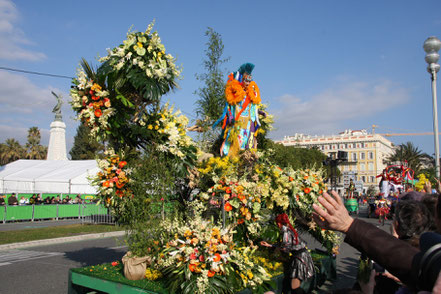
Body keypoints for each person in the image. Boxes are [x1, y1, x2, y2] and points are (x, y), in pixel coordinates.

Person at [312, 190, 441, 291]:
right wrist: (349, 226)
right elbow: (414, 262)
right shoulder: (429, 258)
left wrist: (348, 225)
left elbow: (412, 262)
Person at [213, 63, 262, 157]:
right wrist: (230, 115)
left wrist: (259, 112)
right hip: (237, 122)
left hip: (247, 123)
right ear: (242, 79)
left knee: (246, 142)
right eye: (246, 80)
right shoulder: (236, 92)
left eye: (249, 81)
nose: (247, 83)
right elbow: (229, 105)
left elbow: (253, 108)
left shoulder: (251, 94)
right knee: (233, 142)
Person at [260, 213, 314, 294]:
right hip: (302, 256)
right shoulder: (289, 229)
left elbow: (285, 247)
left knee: (294, 286)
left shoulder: (285, 231)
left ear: (278, 223)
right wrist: (270, 245)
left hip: (299, 258)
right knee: (295, 285)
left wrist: (274, 248)